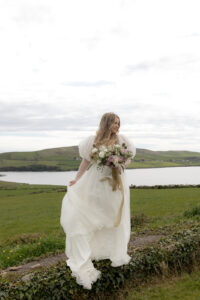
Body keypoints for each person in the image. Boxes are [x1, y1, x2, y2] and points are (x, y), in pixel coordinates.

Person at [60, 112, 136, 290]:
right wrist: (77, 179)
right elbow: (86, 161)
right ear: (106, 123)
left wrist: (118, 163)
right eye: (114, 123)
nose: (117, 126)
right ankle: (88, 252)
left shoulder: (122, 139)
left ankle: (113, 251)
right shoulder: (92, 140)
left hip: (116, 183)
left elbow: (128, 160)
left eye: (119, 123)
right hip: (96, 181)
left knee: (114, 217)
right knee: (91, 215)